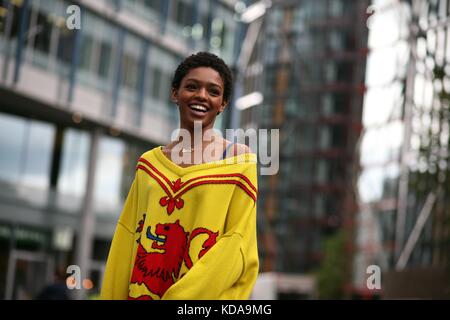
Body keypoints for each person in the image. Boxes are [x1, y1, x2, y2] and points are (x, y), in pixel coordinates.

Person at [100, 52, 259, 300]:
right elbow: (127, 238)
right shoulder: (149, 165)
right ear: (175, 93)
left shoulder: (239, 162)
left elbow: (237, 245)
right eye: (192, 87)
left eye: (214, 91)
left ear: (223, 103)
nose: (201, 96)